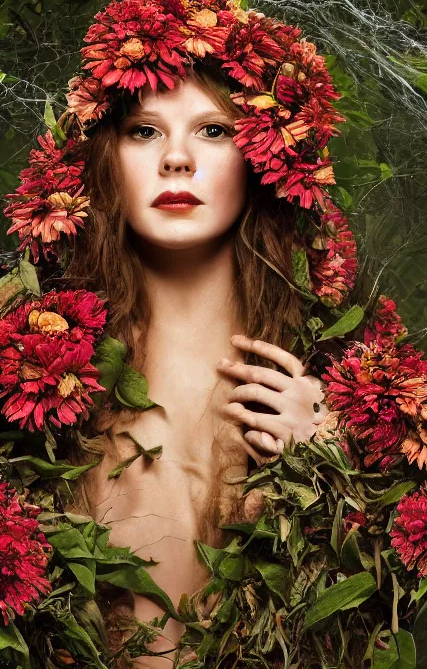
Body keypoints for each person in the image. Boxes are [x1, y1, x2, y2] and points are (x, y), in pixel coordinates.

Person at [62, 61, 329, 667]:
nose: (176, 159)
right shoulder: (35, 385)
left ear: (265, 156)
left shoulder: (340, 383)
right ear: (105, 157)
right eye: (144, 131)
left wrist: (327, 463)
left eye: (214, 130)